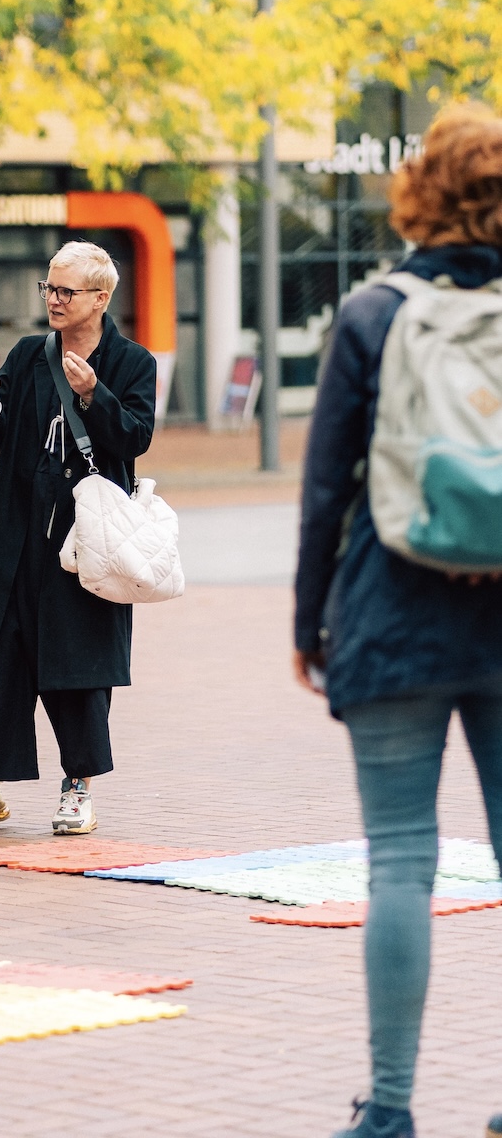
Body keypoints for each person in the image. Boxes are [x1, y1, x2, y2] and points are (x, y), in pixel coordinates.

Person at [293, 103, 502, 1138]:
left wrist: (307, 624)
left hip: (393, 612)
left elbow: (325, 487)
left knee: (403, 862)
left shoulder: (374, 311)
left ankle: (390, 1110)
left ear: (420, 188)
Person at [0, 240, 157, 836]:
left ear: (101, 298)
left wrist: (92, 396)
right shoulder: (32, 353)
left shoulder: (132, 362)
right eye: (48, 289)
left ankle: (78, 786)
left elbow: (134, 438)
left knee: (77, 663)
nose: (53, 300)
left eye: (65, 291)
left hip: (82, 540)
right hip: (12, 529)